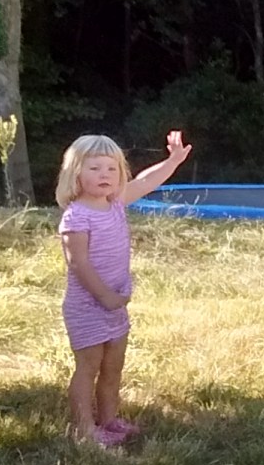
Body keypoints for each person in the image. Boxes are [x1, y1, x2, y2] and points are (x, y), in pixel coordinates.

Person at [56, 130, 192, 446]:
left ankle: (109, 420)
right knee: (88, 368)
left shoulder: (115, 203)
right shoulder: (77, 216)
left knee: (113, 367)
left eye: (111, 168)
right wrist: (104, 296)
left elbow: (146, 182)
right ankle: (85, 429)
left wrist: (172, 161)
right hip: (89, 306)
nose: (104, 175)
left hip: (116, 304)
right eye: (94, 168)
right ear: (76, 174)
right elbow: (79, 264)